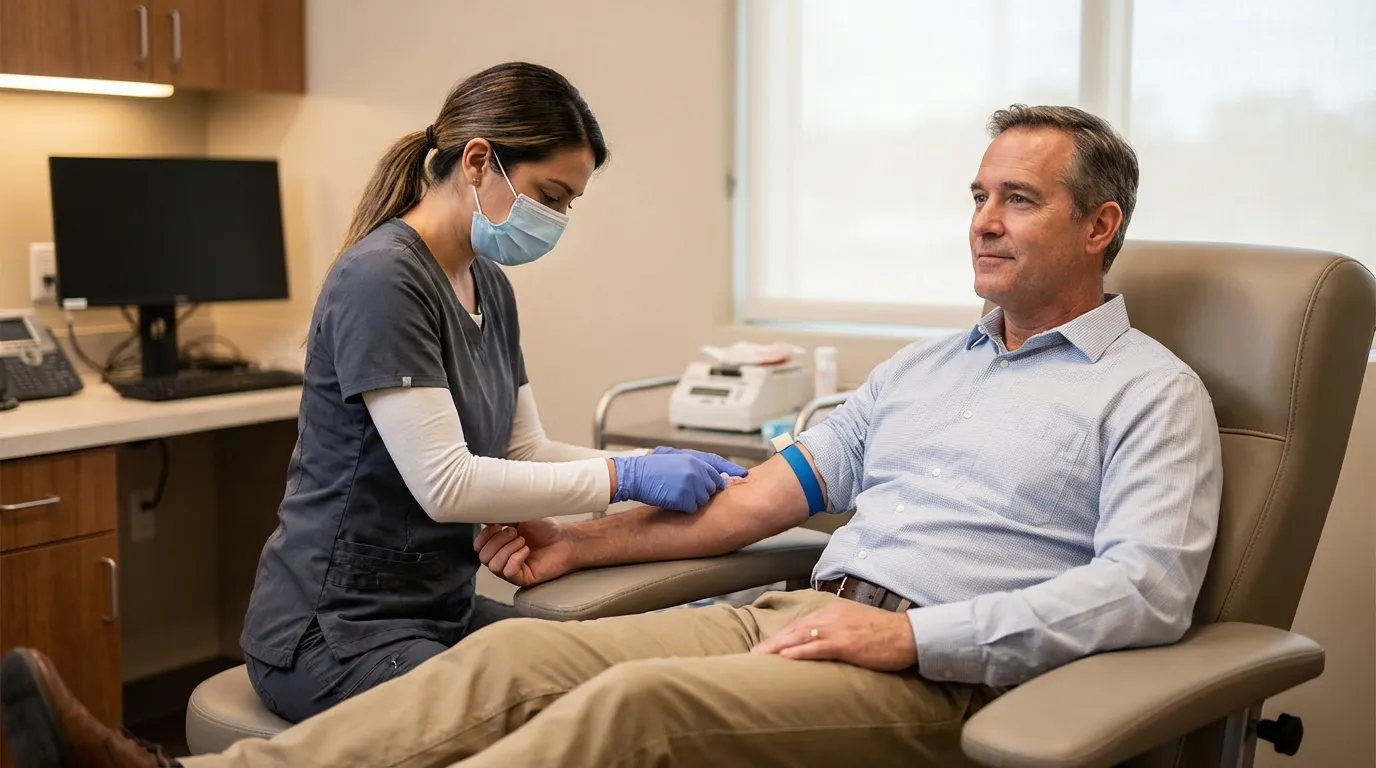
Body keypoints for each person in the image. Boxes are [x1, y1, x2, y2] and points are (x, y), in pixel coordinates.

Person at [0, 104, 1222, 768]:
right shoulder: (920, 370)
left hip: (930, 674)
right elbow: (766, 497)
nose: (981, 224)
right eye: (973, 196)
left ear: (1098, 226)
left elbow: (1146, 594)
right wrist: (587, 548)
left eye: (1017, 199)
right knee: (505, 663)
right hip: (786, 615)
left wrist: (914, 638)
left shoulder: (1146, 395)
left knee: (625, 707)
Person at [233, 62, 748, 723]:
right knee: (562, 725)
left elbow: (522, 449)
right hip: (335, 632)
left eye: (568, 204)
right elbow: (448, 485)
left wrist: (652, 460)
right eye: (550, 195)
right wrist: (627, 475)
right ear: (478, 160)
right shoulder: (383, 280)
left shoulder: (488, 285)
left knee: (617, 683)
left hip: (434, 612)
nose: (557, 218)